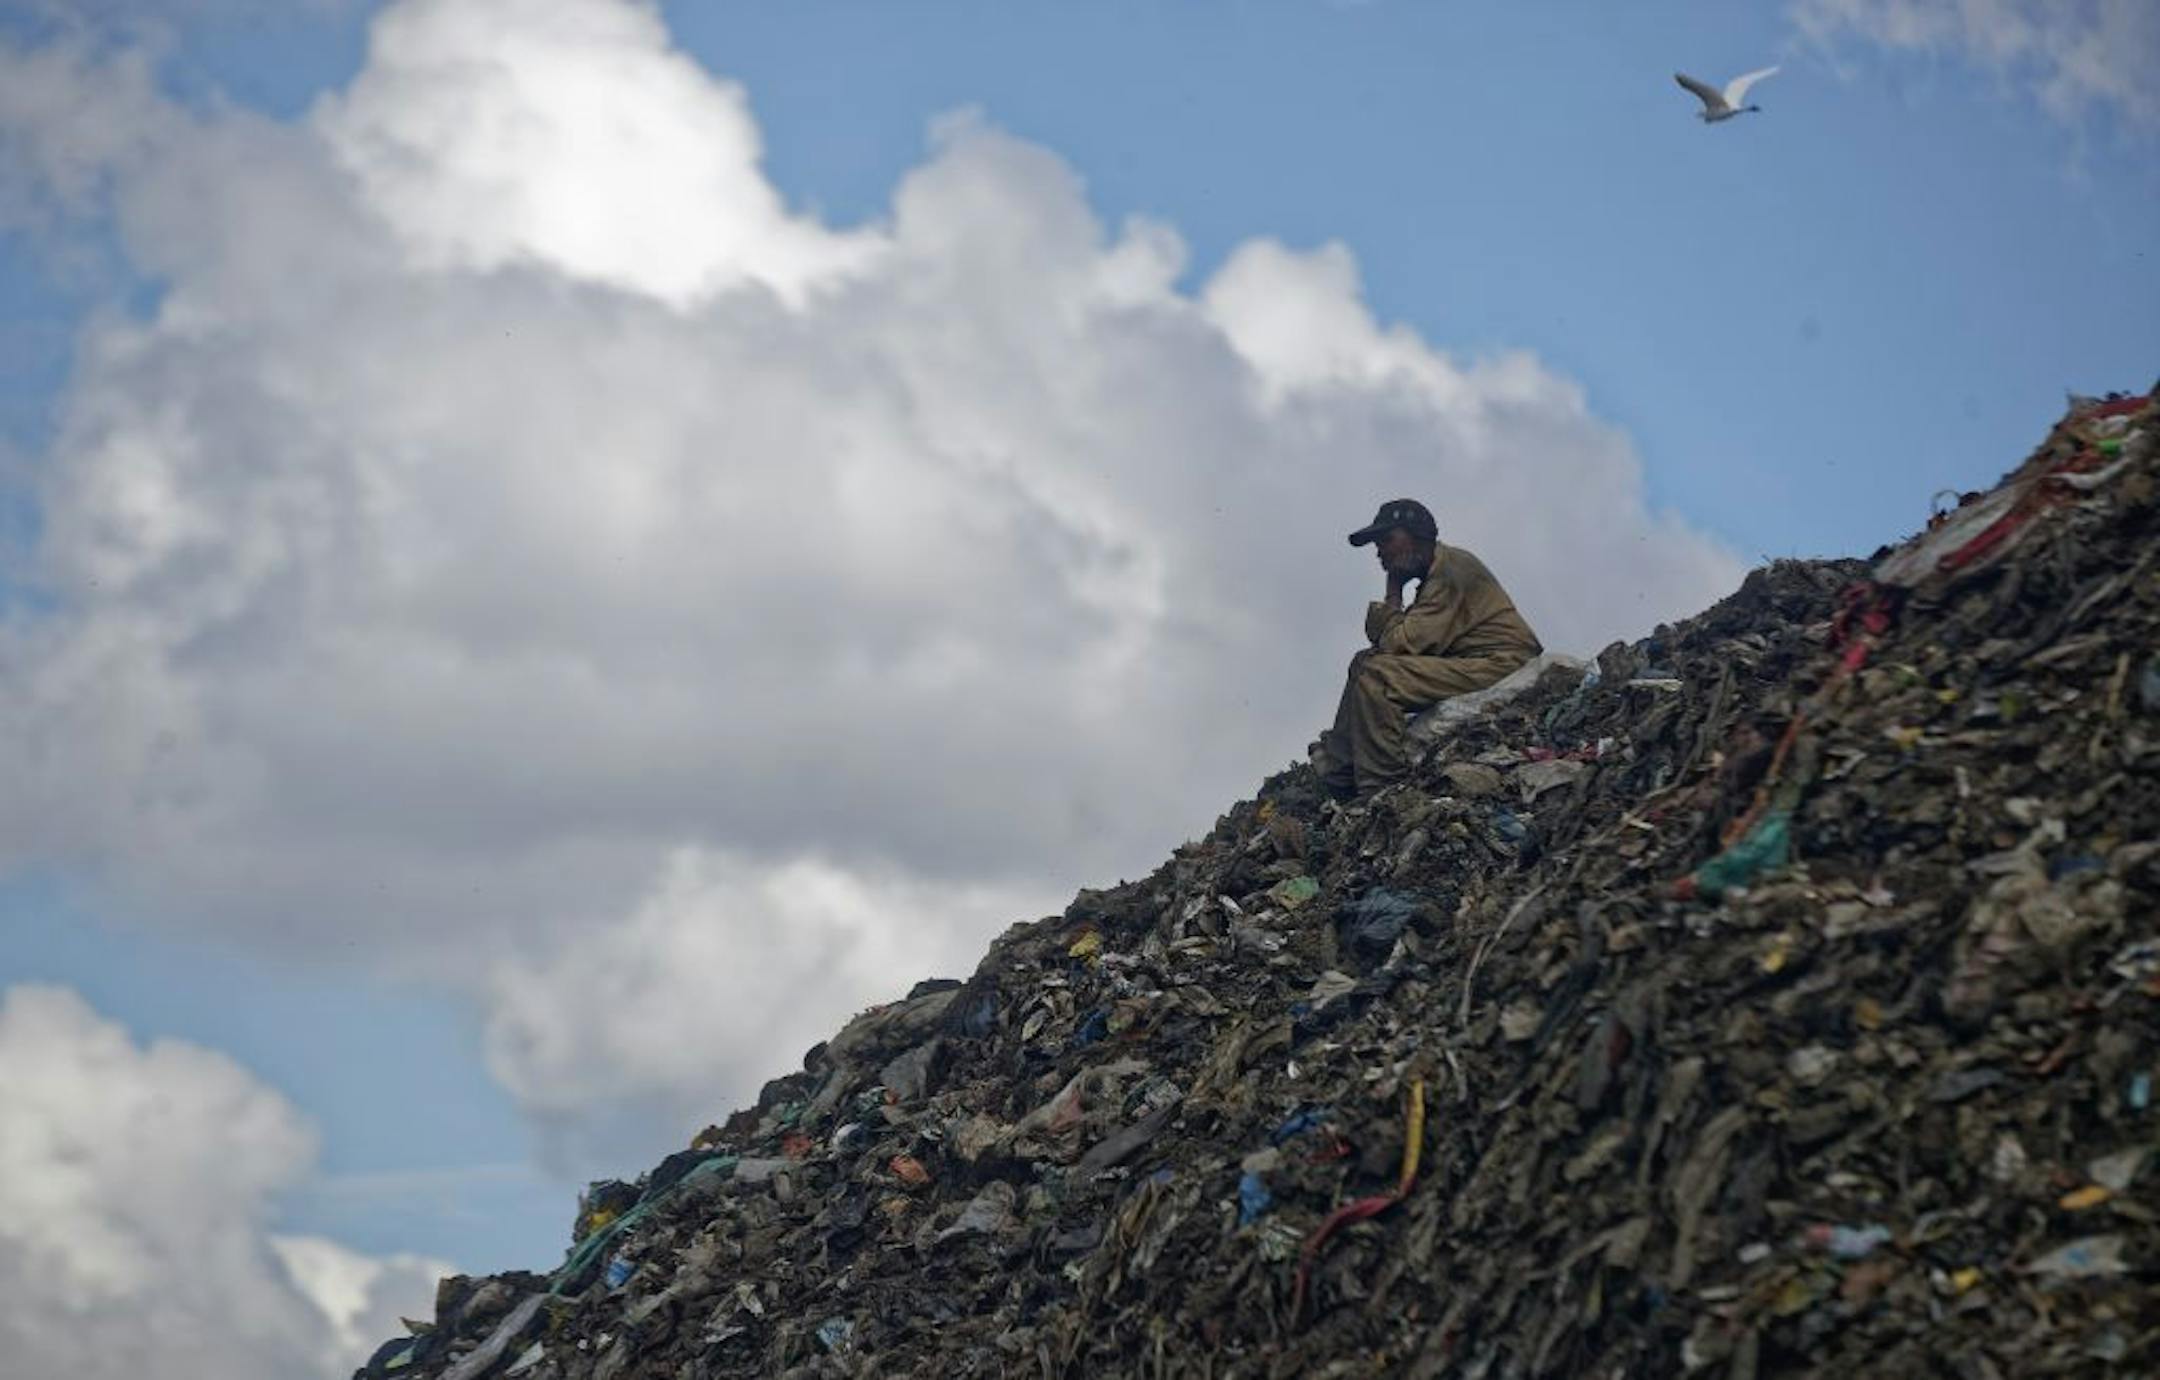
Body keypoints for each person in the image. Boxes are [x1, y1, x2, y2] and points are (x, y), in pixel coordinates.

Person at [1313, 499, 1542, 799]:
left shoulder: (1452, 571)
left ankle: (1381, 787)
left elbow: (1400, 645)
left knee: (1378, 677)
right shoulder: (1436, 575)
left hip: (1502, 663)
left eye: (1386, 540)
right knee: (1365, 663)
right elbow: (1393, 642)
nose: (1379, 552)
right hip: (1473, 662)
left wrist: (1393, 591)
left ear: (1417, 536)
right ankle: (1339, 773)